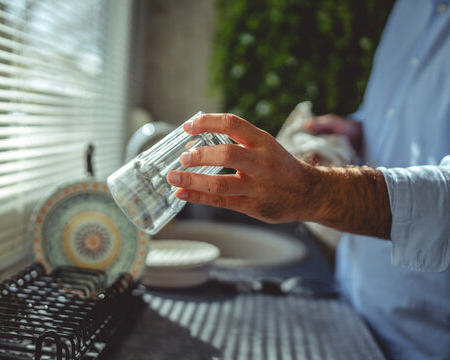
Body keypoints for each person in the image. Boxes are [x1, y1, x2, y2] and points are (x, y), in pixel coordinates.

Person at [166, 1, 450, 359]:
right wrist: (359, 129)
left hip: (427, 340)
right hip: (352, 306)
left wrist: (312, 192)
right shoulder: (410, 9)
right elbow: (402, 116)